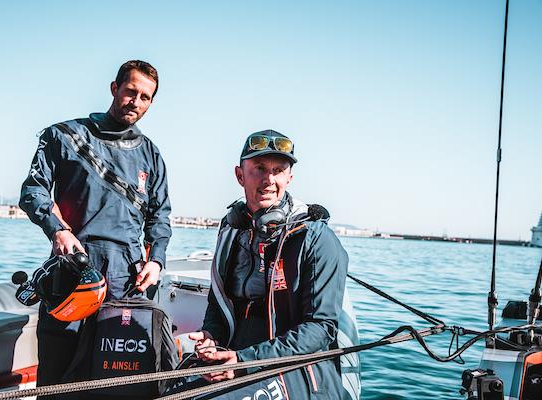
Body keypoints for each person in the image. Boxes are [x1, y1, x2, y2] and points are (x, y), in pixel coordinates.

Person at [19, 60, 172, 395]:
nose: (136, 101)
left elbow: (160, 217)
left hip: (127, 282)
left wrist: (156, 261)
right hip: (74, 273)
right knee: (58, 380)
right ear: (115, 88)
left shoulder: (151, 155)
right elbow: (33, 191)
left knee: (118, 387)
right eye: (131, 91)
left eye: (145, 97)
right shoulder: (64, 136)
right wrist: (57, 229)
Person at [188, 130, 350, 399]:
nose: (269, 180)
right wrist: (211, 335)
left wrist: (244, 362)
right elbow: (218, 303)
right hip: (239, 354)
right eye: (259, 168)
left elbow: (321, 328)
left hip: (295, 368)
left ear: (289, 177)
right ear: (240, 175)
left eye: (278, 170)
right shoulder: (231, 229)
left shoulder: (316, 237)